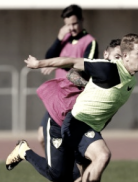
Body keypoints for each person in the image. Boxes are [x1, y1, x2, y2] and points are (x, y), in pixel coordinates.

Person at [8, 34, 138, 182]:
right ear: (125, 56)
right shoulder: (108, 69)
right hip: (77, 123)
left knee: (82, 178)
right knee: (101, 156)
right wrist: (39, 63)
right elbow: (72, 62)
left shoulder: (130, 80)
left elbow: (109, 109)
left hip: (87, 126)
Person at [37, 4, 99, 149]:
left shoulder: (90, 42)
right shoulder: (64, 39)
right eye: (68, 25)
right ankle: (54, 169)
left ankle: (71, 170)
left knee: (71, 142)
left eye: (74, 23)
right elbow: (48, 58)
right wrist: (59, 38)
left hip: (74, 98)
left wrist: (57, 64)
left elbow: (86, 67)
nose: (71, 28)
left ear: (82, 20)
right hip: (58, 97)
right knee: (41, 136)